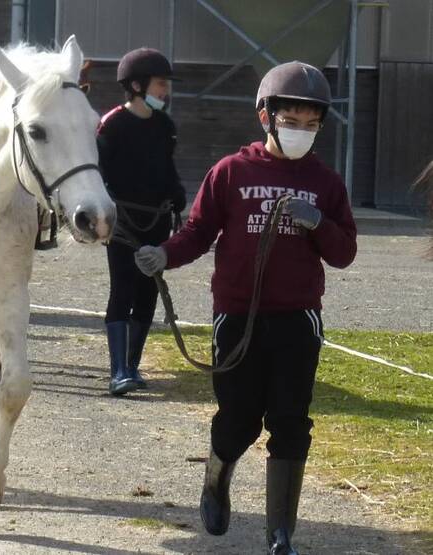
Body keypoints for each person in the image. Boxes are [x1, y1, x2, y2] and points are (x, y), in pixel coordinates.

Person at [134, 61, 357, 554]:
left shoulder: (326, 182)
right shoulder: (231, 173)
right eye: (291, 120)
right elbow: (197, 232)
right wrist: (164, 255)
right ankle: (216, 479)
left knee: (291, 421)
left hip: (298, 319)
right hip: (237, 317)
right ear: (266, 117)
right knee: (238, 419)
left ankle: (280, 532)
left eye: (311, 123)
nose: (301, 131)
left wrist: (318, 220)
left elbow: (343, 253)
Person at [97, 47, 186, 396]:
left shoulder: (165, 125)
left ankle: (133, 365)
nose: (166, 90)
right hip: (124, 222)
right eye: (161, 83)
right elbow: (99, 173)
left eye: (166, 84)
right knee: (123, 288)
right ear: (136, 84)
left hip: (157, 221)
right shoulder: (112, 125)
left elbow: (166, 167)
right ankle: (117, 370)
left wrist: (176, 190)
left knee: (148, 291)